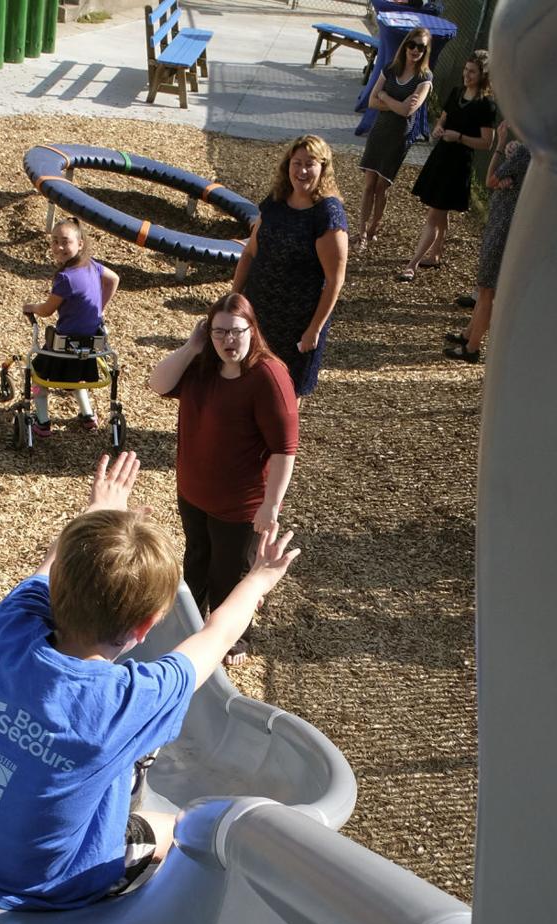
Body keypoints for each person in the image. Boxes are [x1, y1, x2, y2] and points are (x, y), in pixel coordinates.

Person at [0, 451, 299, 910]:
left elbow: (51, 563)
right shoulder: (128, 700)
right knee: (184, 828)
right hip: (42, 882)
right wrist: (260, 579)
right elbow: (216, 635)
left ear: (58, 586)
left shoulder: (7, 627)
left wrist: (101, 508)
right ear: (145, 628)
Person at [147, 293, 298, 668]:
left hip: (239, 503)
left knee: (229, 573)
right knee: (196, 559)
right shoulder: (202, 366)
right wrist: (191, 346)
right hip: (194, 491)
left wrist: (271, 505)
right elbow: (157, 383)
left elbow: (284, 449)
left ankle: (234, 637)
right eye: (218, 333)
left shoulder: (268, 376)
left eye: (235, 332)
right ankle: (194, 626)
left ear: (252, 330)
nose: (228, 341)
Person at [232, 134, 348, 399]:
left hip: (297, 321)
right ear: (287, 165)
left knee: (284, 390)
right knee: (248, 376)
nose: (302, 171)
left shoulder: (327, 214)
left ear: (323, 168)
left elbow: (334, 280)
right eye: (297, 163)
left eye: (310, 164)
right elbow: (250, 252)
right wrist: (234, 298)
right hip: (259, 310)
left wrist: (314, 329)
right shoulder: (276, 202)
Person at [398, 50, 497, 281]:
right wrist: (439, 130)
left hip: (458, 163)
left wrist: (459, 137)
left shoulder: (486, 106)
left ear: (483, 75)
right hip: (441, 156)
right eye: (466, 70)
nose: (466, 75)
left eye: (472, 72)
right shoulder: (456, 93)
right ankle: (435, 254)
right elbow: (442, 120)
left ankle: (412, 264)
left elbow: (486, 142)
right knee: (439, 210)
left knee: (435, 213)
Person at [21, 218, 120, 437]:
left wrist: (31, 307)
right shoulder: (93, 266)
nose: (59, 247)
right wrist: (100, 308)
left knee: (37, 375)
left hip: (62, 349)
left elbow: (47, 310)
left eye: (65, 241)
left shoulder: (65, 278)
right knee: (75, 376)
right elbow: (114, 279)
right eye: (54, 241)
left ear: (80, 243)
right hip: (89, 349)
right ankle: (87, 415)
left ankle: (43, 421)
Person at [445, 121, 531, 362]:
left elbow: (490, 180)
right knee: (484, 287)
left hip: (502, 227)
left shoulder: (524, 152)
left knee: (486, 290)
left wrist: (501, 145)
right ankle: (468, 334)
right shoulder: (528, 152)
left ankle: (472, 347)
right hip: (501, 223)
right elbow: (495, 181)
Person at [356, 27, 433, 254]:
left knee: (382, 187)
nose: (416, 50)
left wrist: (385, 97)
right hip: (379, 133)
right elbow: (371, 101)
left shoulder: (425, 78)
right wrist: (394, 103)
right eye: (413, 44)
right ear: (406, 45)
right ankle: (361, 232)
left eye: (421, 47)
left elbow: (408, 111)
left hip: (399, 138)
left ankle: (373, 227)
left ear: (426, 51)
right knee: (369, 185)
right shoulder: (391, 68)